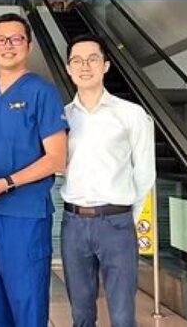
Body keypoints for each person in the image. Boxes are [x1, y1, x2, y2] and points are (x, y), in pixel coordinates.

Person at [0, 13, 68, 327]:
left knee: (27, 304)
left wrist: (5, 183)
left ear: (29, 45)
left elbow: (57, 158)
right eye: (1, 39)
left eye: (16, 38)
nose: (8, 45)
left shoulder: (43, 92)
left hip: (25, 217)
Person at [60, 35, 155, 327]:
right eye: (77, 60)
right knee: (81, 315)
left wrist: (126, 218)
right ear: (68, 68)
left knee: (123, 316)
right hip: (73, 224)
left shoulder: (131, 114)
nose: (85, 66)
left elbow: (144, 173)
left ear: (106, 65)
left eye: (93, 59)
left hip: (117, 224)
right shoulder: (62, 118)